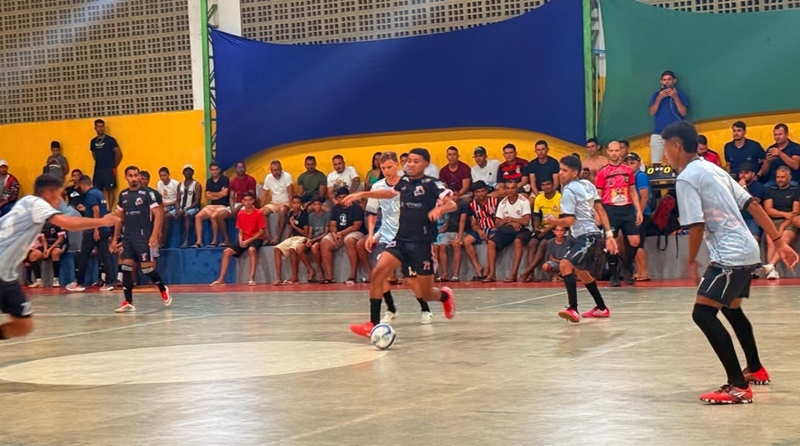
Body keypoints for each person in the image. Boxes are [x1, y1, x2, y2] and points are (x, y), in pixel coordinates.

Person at [662, 120, 798, 404]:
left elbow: (696, 225)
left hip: (730, 255)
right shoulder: (713, 169)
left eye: (666, 148)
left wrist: (691, 261)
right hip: (747, 249)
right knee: (731, 309)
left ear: (677, 145)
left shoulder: (687, 177)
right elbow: (753, 204)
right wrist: (777, 242)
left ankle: (738, 385)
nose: (665, 154)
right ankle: (756, 369)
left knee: (702, 314)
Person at [345, 148, 457, 338]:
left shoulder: (432, 184)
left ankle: (445, 296)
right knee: (378, 273)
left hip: (422, 244)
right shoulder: (404, 181)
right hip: (400, 240)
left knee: (426, 292)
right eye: (409, 161)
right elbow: (389, 194)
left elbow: (452, 204)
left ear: (426, 164)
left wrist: (440, 209)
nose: (410, 164)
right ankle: (373, 324)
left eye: (416, 161)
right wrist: (361, 194)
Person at [0, 175, 119, 340]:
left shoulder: (26, 202)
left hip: (6, 274)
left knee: (24, 325)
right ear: (49, 193)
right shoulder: (39, 204)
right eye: (60, 195)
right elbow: (69, 223)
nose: (61, 201)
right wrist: (103, 221)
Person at [358, 152, 432, 324]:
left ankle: (425, 308)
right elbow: (371, 212)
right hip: (386, 236)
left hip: (408, 237)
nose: (386, 171)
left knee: (411, 280)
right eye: (383, 168)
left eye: (389, 167)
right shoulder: (377, 186)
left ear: (397, 165)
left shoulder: (407, 184)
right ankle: (391, 309)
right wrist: (371, 235)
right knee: (379, 274)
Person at [545, 155, 617, 323]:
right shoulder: (587, 184)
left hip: (586, 236)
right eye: (560, 169)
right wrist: (609, 235)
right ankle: (601, 307)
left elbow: (569, 221)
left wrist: (554, 222)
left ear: (574, 172)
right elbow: (600, 210)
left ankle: (573, 309)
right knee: (580, 272)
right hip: (590, 235)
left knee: (565, 265)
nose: (560, 173)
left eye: (564, 170)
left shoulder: (568, 191)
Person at [110, 166, 173, 313]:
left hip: (143, 236)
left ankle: (162, 288)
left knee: (146, 269)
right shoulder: (123, 195)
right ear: (126, 177)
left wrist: (154, 235)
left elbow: (158, 214)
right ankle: (128, 302)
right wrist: (114, 239)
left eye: (135, 175)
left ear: (139, 176)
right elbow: (119, 218)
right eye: (130, 175)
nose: (133, 178)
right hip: (127, 237)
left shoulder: (148, 194)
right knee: (126, 267)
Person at [595, 141, 643, 286]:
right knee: (611, 242)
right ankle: (614, 274)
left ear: (621, 152)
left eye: (617, 150)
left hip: (627, 208)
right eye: (612, 151)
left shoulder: (628, 170)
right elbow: (598, 194)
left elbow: (633, 191)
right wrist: (597, 213)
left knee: (635, 240)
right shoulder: (603, 172)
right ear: (607, 152)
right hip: (610, 209)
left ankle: (627, 266)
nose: (614, 153)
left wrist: (638, 210)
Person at [66, 175, 114, 292]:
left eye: (80, 187)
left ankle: (80, 283)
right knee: (105, 256)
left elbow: (96, 210)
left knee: (83, 256)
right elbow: (99, 209)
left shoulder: (90, 194)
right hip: (104, 228)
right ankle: (110, 282)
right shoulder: (99, 193)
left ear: (83, 185)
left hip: (93, 230)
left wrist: (95, 229)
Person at [483, 178, 532, 283]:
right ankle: (492, 274)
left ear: (517, 189)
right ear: (505, 189)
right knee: (491, 242)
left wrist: (510, 219)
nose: (510, 191)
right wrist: (509, 222)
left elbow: (526, 221)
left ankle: (513, 274)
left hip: (523, 229)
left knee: (518, 241)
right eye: (508, 188)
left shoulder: (524, 201)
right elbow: (497, 224)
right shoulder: (502, 203)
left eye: (513, 188)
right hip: (508, 229)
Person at [211, 192, 264, 286]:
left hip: (256, 238)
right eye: (245, 200)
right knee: (226, 251)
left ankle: (251, 278)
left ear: (253, 201)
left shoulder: (258, 213)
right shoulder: (240, 214)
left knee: (251, 250)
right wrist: (240, 240)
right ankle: (221, 279)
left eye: (250, 200)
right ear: (242, 201)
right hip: (244, 238)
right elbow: (240, 231)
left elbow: (261, 232)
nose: (248, 202)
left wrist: (248, 241)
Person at [761, 166, 800, 280]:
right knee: (771, 242)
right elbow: (769, 210)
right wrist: (784, 214)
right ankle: (772, 271)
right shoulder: (770, 189)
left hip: (790, 221)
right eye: (778, 177)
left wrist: (782, 226)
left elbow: (794, 214)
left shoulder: (796, 190)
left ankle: (770, 265)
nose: (780, 180)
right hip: (773, 220)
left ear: (789, 178)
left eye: (783, 177)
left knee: (783, 240)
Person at [320, 187, 365, 284]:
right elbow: (332, 224)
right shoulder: (336, 208)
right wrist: (334, 234)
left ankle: (352, 276)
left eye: (344, 196)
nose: (342, 199)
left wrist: (341, 234)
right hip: (339, 233)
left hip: (355, 232)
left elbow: (356, 226)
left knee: (350, 241)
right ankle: (329, 276)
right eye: (339, 197)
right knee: (324, 242)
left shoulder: (356, 207)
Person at [520, 178, 561, 282]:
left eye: (548, 184)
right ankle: (531, 275)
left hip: (555, 227)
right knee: (532, 243)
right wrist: (537, 228)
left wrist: (546, 230)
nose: (546, 187)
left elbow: (561, 219)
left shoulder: (559, 197)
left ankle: (527, 271)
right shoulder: (539, 198)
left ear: (553, 185)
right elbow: (536, 216)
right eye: (543, 185)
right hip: (542, 228)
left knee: (543, 244)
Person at [647, 70, 689, 166]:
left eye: (669, 79)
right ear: (661, 82)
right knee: (656, 162)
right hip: (658, 133)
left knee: (676, 162)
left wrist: (675, 97)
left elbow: (683, 112)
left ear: (674, 81)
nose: (667, 82)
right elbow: (652, 112)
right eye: (664, 80)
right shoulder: (656, 95)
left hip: (675, 134)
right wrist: (659, 98)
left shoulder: (680, 94)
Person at [625, 152, 653, 282]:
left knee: (639, 243)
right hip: (632, 213)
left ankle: (644, 271)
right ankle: (639, 270)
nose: (630, 166)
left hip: (641, 213)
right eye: (627, 163)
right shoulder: (630, 177)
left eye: (633, 163)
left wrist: (639, 213)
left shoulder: (640, 176)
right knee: (634, 243)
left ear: (638, 163)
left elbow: (644, 196)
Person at [273, 195, 313, 285]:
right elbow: (289, 228)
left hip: (302, 238)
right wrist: (286, 239)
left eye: (298, 203)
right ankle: (278, 278)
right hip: (293, 237)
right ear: (291, 204)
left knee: (292, 249)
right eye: (294, 203)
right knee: (277, 249)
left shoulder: (304, 214)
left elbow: (305, 233)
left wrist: (294, 225)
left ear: (301, 204)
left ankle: (295, 277)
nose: (296, 205)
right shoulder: (291, 213)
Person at [194, 161, 231, 248]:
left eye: (216, 169)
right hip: (212, 205)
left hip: (223, 205)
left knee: (213, 216)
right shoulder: (209, 181)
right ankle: (199, 241)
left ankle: (214, 241)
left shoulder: (225, 179)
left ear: (219, 170)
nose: (214, 172)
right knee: (198, 216)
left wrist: (212, 194)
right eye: (212, 170)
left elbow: (225, 194)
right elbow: (207, 196)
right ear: (210, 170)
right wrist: (219, 194)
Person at [90, 119, 122, 209]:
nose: (100, 128)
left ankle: (110, 209)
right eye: (98, 126)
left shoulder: (110, 140)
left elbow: (118, 153)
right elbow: (94, 154)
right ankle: (101, 208)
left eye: (102, 126)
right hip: (98, 169)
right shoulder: (93, 141)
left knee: (110, 190)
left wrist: (113, 165)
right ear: (95, 128)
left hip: (109, 169)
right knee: (97, 190)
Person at [261, 160, 293, 244]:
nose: (276, 172)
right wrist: (261, 207)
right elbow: (264, 195)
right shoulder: (268, 177)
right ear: (271, 171)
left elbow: (290, 194)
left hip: (285, 203)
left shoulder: (287, 176)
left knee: (282, 210)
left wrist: (291, 208)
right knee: (261, 212)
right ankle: (268, 238)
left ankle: (278, 237)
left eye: (277, 170)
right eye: (273, 170)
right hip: (274, 203)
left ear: (281, 169)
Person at [176, 164, 202, 248]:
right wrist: (177, 209)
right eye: (186, 171)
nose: (188, 172)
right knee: (167, 216)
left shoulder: (196, 185)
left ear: (193, 172)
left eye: (189, 171)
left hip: (193, 208)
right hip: (181, 208)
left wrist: (185, 209)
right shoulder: (180, 185)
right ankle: (164, 242)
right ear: (183, 173)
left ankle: (187, 240)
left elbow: (197, 202)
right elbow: (178, 200)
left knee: (186, 215)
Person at [305, 196, 330, 283]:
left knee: (314, 247)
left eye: (319, 204)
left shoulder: (326, 215)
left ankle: (320, 270)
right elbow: (310, 230)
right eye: (315, 204)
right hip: (314, 238)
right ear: (312, 206)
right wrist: (309, 239)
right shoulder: (311, 216)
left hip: (322, 237)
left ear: (322, 205)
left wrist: (314, 240)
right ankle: (310, 269)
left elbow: (326, 232)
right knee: (299, 248)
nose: (317, 206)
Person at [156, 167, 180, 247]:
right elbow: (159, 198)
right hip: (162, 205)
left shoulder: (175, 183)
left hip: (173, 205)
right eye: (161, 176)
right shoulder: (159, 183)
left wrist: (168, 203)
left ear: (168, 175)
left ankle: (162, 240)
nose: (163, 178)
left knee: (162, 215)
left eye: (164, 175)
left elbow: (179, 199)